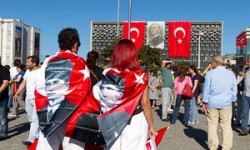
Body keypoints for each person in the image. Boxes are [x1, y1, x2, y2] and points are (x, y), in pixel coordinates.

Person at [33, 28, 91, 150]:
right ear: (75, 44)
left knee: (46, 146)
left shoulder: (48, 61)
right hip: (72, 115)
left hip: (50, 113)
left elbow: (39, 87)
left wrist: (43, 108)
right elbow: (85, 89)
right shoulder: (79, 62)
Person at [202, 55, 237, 150]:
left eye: (212, 62)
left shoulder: (210, 74)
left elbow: (206, 89)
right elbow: (234, 89)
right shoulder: (230, 74)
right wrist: (232, 99)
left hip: (213, 102)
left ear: (215, 63)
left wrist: (204, 102)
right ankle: (226, 147)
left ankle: (213, 146)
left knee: (212, 125)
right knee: (226, 125)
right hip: (226, 103)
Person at [13, 56, 40, 147]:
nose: (26, 64)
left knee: (35, 120)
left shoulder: (41, 72)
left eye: (28, 62)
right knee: (31, 118)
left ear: (34, 63)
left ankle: (30, 140)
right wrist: (17, 93)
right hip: (28, 98)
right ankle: (37, 136)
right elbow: (23, 83)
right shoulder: (28, 72)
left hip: (37, 99)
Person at [239, 64, 250, 136]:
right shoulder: (247, 70)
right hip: (246, 94)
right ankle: (244, 129)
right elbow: (240, 73)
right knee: (244, 112)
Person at [0, 62, 10, 140]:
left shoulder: (4, 70)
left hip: (2, 97)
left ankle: (4, 133)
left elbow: (6, 83)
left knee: (3, 116)